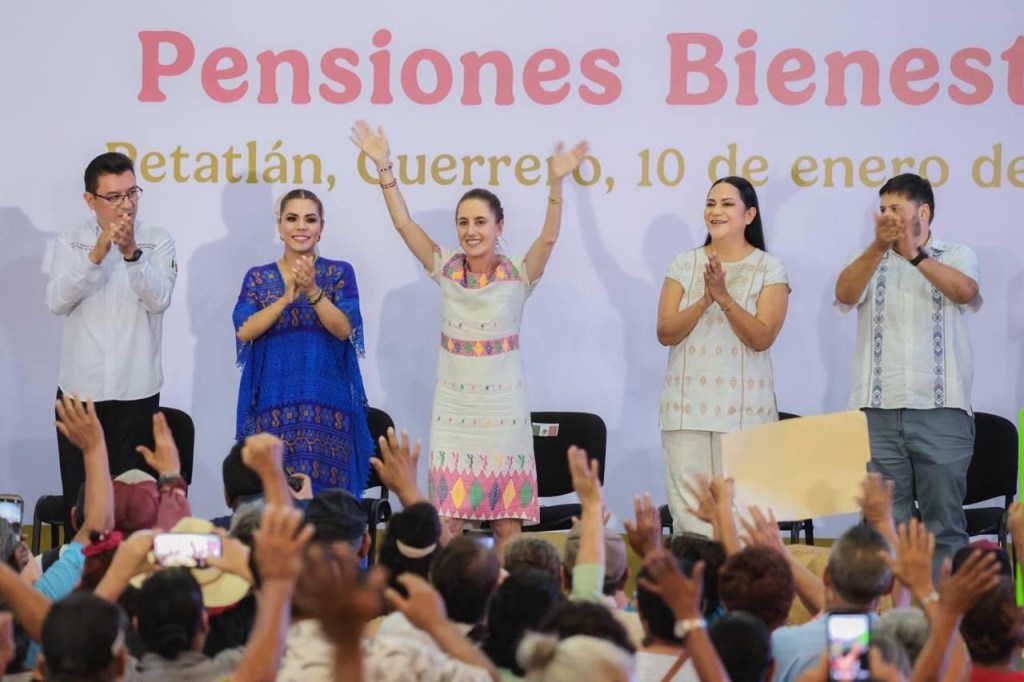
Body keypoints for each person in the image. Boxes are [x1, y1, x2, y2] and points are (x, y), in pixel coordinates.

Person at [350, 120, 589, 551]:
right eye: (463, 222)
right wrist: (384, 166)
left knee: (506, 529)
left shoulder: (518, 274)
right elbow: (405, 225)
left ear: (500, 226)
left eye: (481, 221)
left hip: (503, 415)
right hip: (454, 414)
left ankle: (503, 610)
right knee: (445, 522)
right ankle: (447, 606)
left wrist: (556, 183)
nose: (471, 230)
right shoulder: (445, 267)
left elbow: (549, 237)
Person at [834, 173, 981, 572]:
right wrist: (879, 248)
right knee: (882, 529)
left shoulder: (955, 253)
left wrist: (915, 254)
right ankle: (889, 624)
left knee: (944, 527)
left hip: (941, 410)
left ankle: (943, 627)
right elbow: (845, 294)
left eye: (895, 209)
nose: (886, 217)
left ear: (924, 211)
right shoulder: (865, 258)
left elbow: (966, 292)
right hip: (875, 414)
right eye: (881, 210)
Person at [46, 151, 177, 530]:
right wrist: (96, 257)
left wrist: (132, 255)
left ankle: (127, 588)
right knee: (82, 506)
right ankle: (82, 583)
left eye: (132, 192)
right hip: (79, 394)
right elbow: (56, 301)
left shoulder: (156, 240)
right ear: (91, 200)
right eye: (115, 196)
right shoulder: (71, 240)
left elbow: (160, 299)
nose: (127, 204)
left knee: (132, 510)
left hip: (137, 392)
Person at [656, 176, 790, 537]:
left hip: (745, 416)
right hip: (687, 412)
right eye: (711, 203)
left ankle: (739, 595)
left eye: (727, 204)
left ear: (750, 215)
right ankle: (699, 595)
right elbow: (665, 332)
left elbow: (762, 337)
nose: (716, 211)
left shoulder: (769, 268)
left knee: (744, 524)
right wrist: (705, 298)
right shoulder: (684, 264)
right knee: (691, 524)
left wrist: (725, 297)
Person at [233, 188, 374, 496]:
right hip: (274, 405)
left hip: (328, 409)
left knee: (329, 506)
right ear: (279, 226)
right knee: (276, 498)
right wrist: (285, 299)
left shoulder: (339, 273)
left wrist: (311, 291)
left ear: (321, 227)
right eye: (292, 218)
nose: (301, 227)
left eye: (310, 220)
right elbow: (244, 330)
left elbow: (343, 328)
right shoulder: (258, 278)